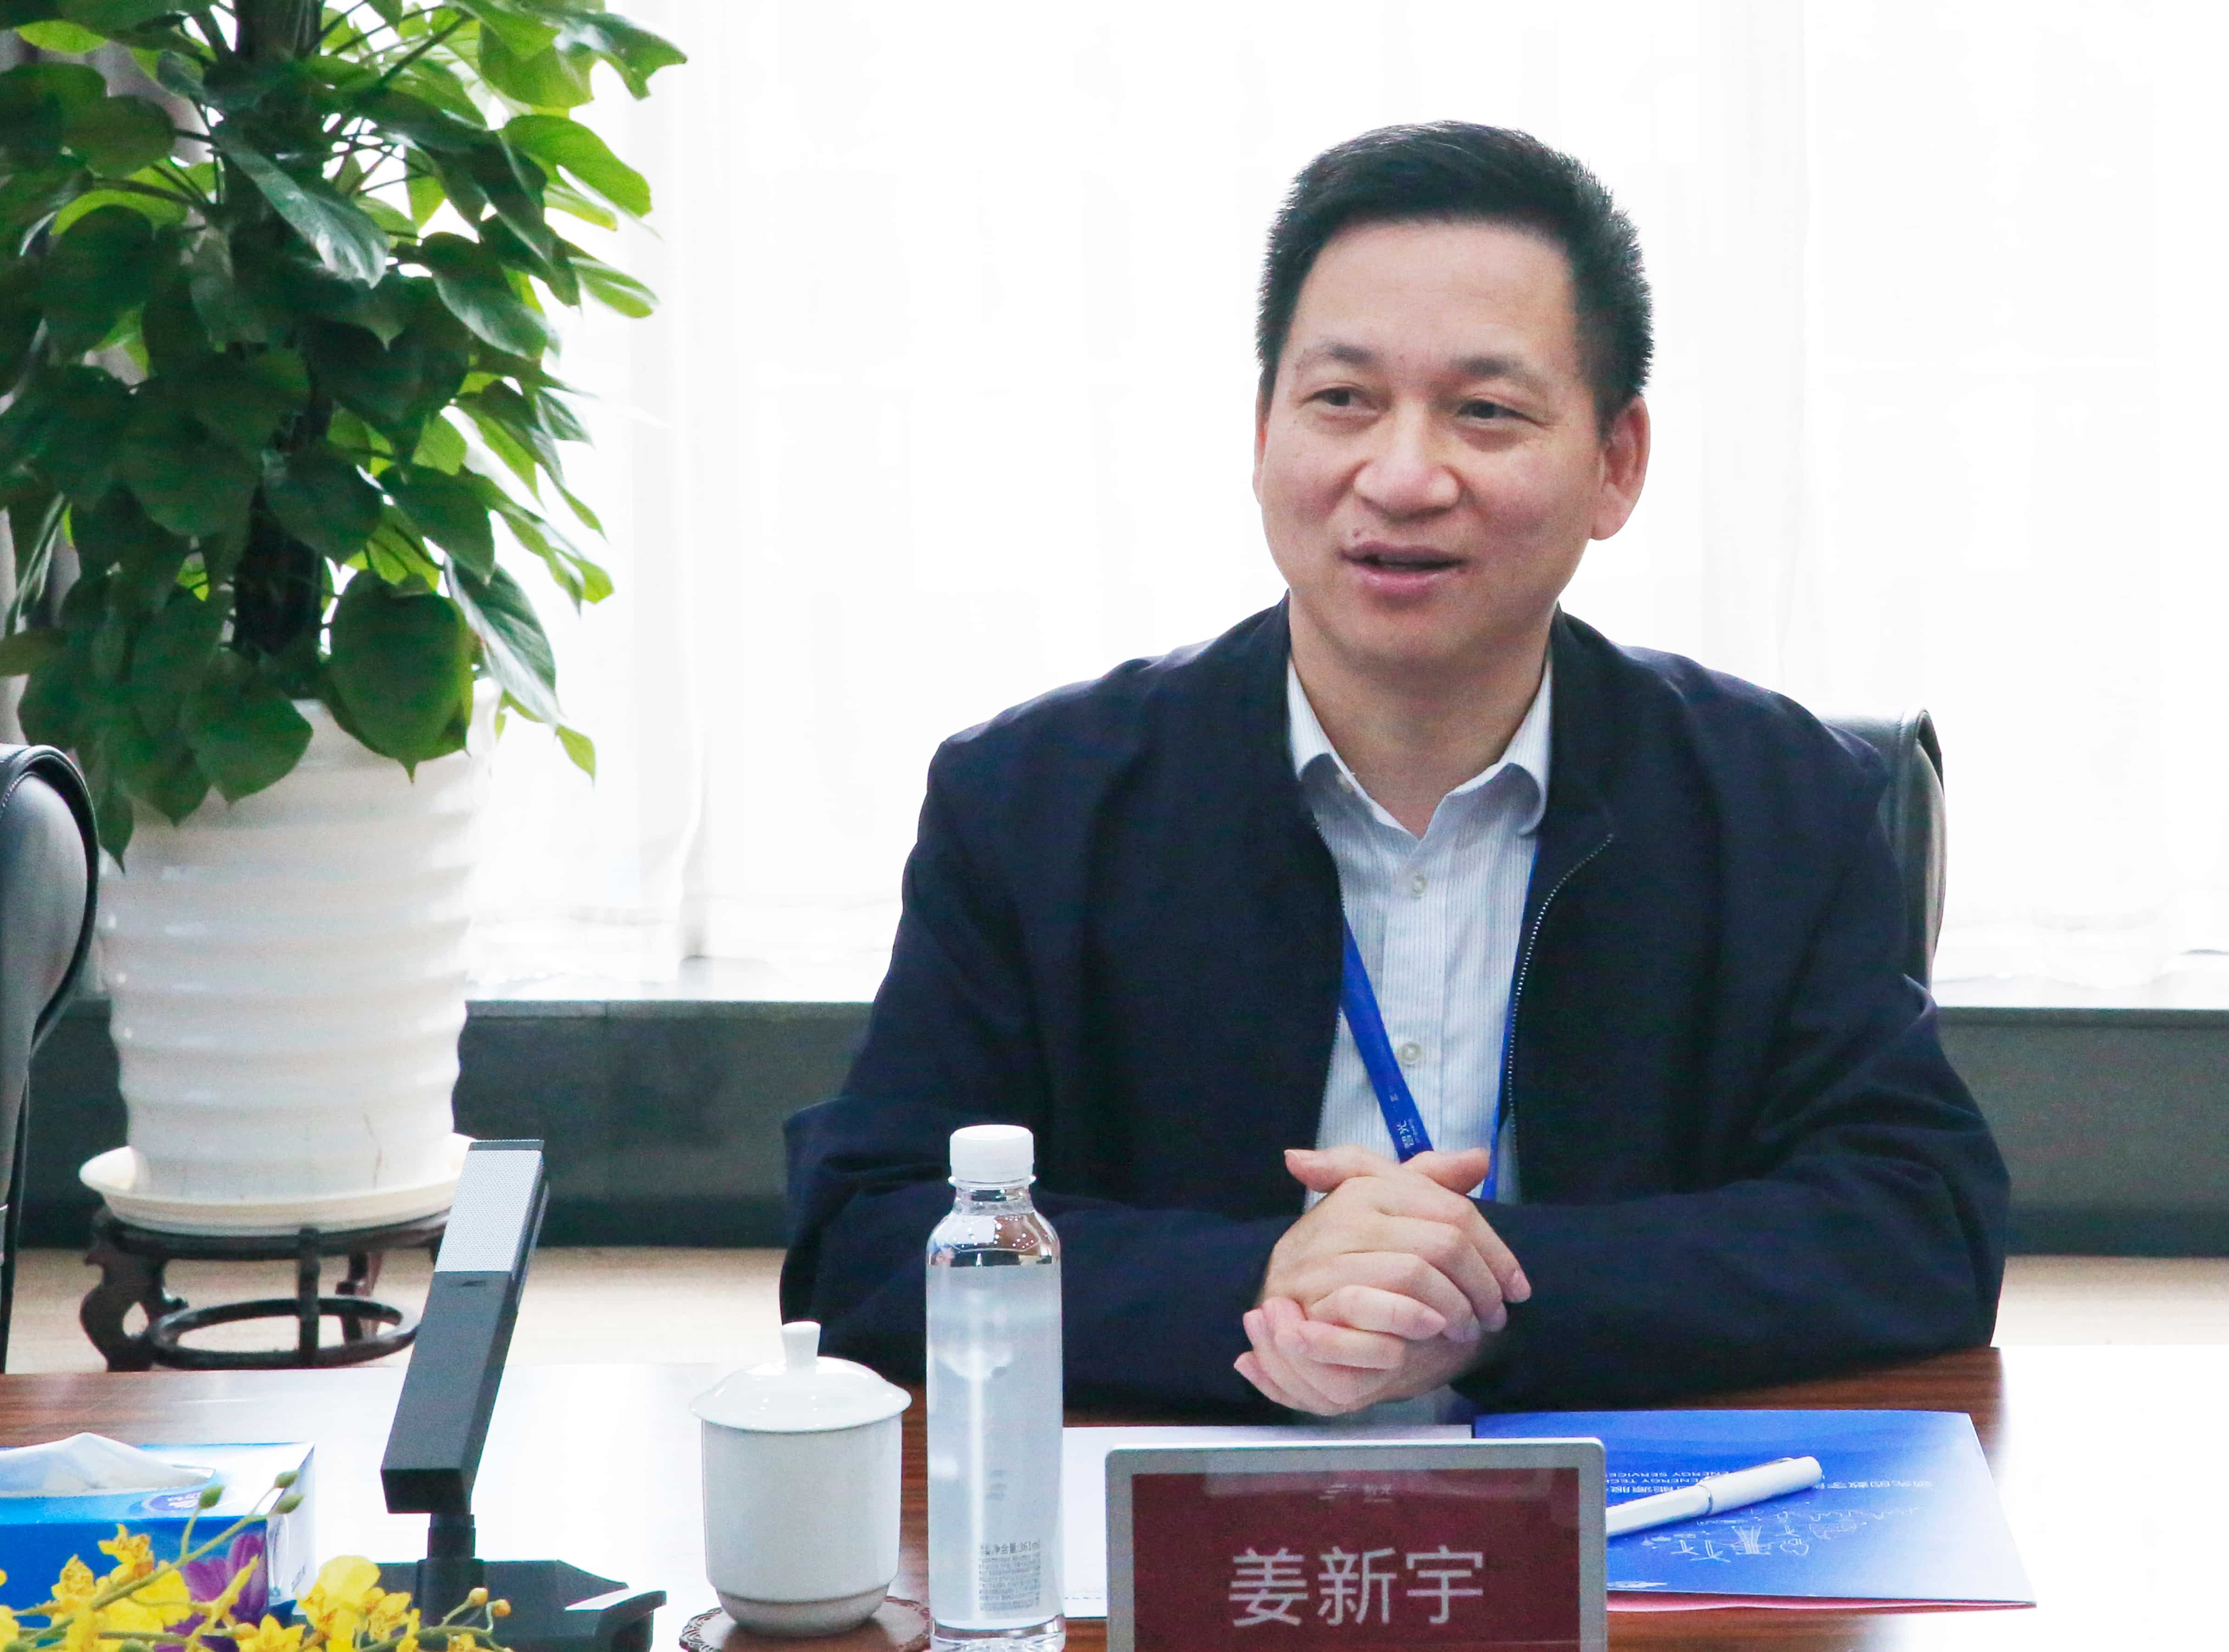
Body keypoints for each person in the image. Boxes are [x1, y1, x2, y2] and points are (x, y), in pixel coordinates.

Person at [781, 121, 2007, 1416]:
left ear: (1616, 464)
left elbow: (1914, 1223)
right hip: (1178, 1501)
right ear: (1264, 431)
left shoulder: (1782, 802)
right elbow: (867, 1238)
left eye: (1486, 412)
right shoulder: (1036, 802)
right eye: (1343, 401)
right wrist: (1266, 1281)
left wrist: (1488, 1294)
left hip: (1621, 1506)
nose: (1406, 476)